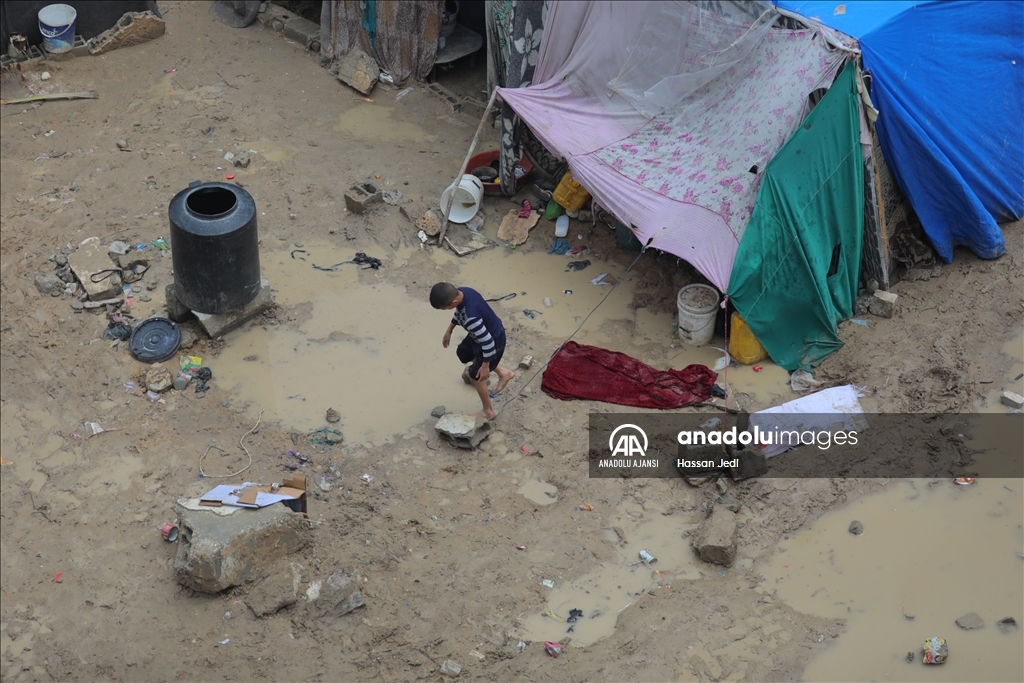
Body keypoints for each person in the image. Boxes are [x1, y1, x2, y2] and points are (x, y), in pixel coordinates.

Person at [430, 282, 515, 419]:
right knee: (463, 352)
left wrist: (486, 366)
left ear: (454, 301)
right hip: (482, 333)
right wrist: (449, 330)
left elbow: (488, 343)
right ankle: (503, 372)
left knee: (475, 375)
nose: (447, 310)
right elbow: (458, 313)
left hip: (492, 340)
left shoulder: (471, 319)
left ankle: (488, 411)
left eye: (446, 308)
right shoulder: (464, 291)